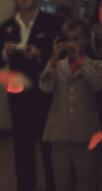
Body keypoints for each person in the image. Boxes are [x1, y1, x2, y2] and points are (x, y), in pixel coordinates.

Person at [0, 0, 63, 191]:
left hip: (46, 92)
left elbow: (63, 53)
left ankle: (53, 186)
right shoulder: (7, 26)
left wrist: (40, 54)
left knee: (48, 146)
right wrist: (6, 53)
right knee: (22, 147)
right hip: (19, 95)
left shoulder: (52, 22)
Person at [39, 19, 102, 191]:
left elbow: (97, 84)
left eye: (76, 39)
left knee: (87, 181)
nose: (71, 44)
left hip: (85, 132)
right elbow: (45, 86)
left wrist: (81, 62)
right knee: (61, 182)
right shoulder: (57, 66)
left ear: (86, 40)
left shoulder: (95, 65)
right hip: (59, 132)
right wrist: (53, 58)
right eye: (68, 39)